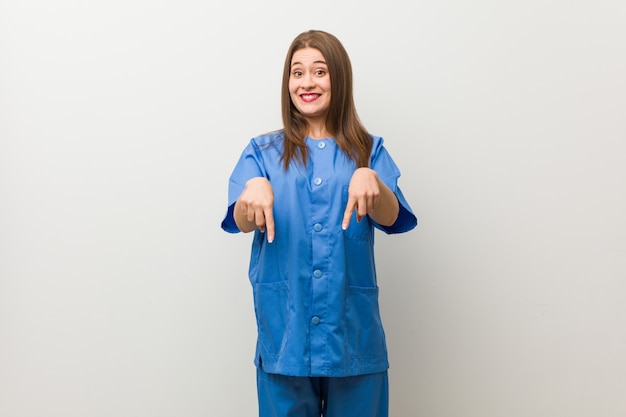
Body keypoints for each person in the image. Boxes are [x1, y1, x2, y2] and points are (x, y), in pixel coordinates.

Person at [221, 29, 417, 417]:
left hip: (353, 337)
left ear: (338, 79)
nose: (307, 82)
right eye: (297, 72)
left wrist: (372, 181)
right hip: (285, 335)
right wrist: (252, 190)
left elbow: (393, 216)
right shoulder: (261, 154)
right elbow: (241, 220)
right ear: (287, 83)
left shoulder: (368, 150)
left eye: (319, 71)